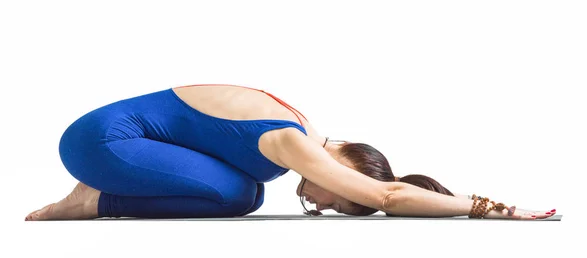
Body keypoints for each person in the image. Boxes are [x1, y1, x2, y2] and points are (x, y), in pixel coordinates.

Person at [25, 84, 556, 221]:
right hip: (101, 142)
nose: (321, 202)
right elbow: (389, 195)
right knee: (240, 196)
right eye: (340, 198)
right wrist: (487, 206)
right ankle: (93, 201)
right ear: (349, 163)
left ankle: (97, 196)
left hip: (114, 138)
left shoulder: (290, 132)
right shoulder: (289, 140)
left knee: (245, 192)